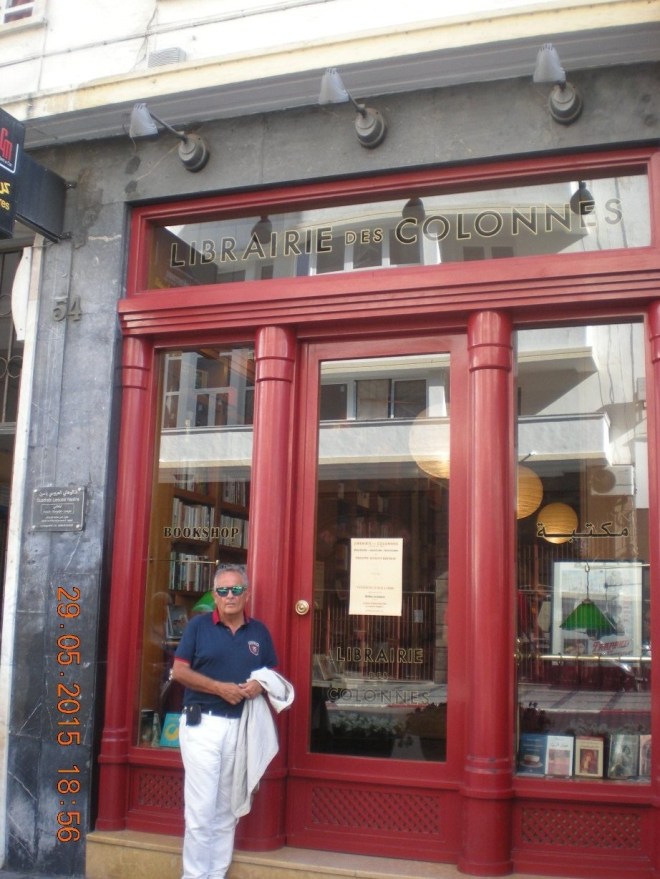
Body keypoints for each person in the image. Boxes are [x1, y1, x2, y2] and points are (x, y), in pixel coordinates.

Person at [172, 563, 278, 879]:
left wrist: (259, 684)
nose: (229, 596)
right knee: (201, 810)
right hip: (202, 725)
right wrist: (219, 688)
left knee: (226, 809)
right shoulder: (198, 627)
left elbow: (270, 671)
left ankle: (215, 873)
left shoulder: (259, 632)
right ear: (215, 596)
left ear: (247, 594)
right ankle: (194, 876)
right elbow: (180, 671)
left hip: (240, 727)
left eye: (236, 590)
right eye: (223, 590)